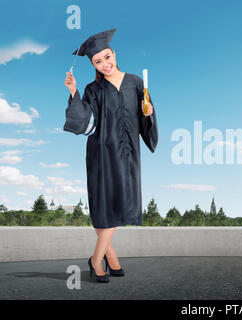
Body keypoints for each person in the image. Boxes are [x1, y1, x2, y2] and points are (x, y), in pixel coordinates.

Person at [63, 28, 158, 283]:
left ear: (114, 53)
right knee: (104, 205)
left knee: (117, 202)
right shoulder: (93, 89)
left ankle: (108, 257)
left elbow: (145, 116)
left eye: (107, 57)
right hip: (101, 152)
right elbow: (85, 121)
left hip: (127, 154)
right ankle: (98, 260)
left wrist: (147, 113)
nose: (105, 64)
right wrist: (73, 92)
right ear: (92, 64)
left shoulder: (136, 82)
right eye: (98, 61)